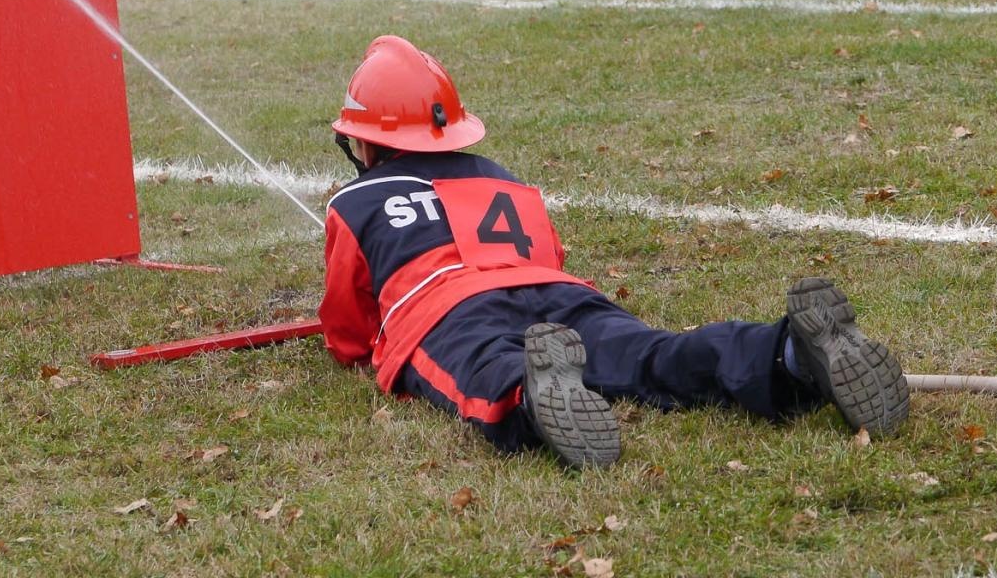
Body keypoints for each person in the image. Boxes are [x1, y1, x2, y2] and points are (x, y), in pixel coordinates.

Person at [319, 35, 909, 467]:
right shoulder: (502, 178)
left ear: (368, 141)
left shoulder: (356, 201)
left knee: (482, 371)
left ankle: (532, 396)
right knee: (653, 355)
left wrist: (359, 348)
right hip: (560, 295)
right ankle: (786, 355)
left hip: (448, 312)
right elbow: (551, 253)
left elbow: (349, 326)